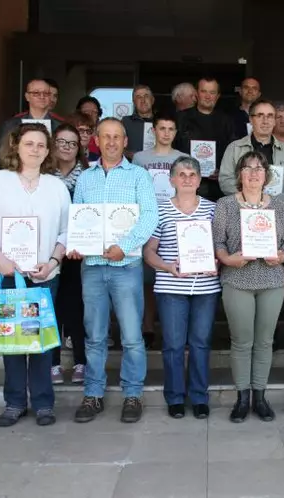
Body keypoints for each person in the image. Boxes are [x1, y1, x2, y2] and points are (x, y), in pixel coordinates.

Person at [0, 122, 71, 427]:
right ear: (16, 146)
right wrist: (1, 260)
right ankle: (14, 402)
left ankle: (43, 404)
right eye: (29, 144)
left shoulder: (56, 186)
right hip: (4, 273)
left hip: (43, 275)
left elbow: (67, 231)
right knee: (12, 339)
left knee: (40, 341)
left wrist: (53, 262)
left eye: (41, 145)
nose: (35, 150)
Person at [70, 117, 158, 424]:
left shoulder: (138, 176)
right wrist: (76, 242)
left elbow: (149, 217)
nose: (110, 142)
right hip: (92, 266)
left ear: (124, 142)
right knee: (94, 335)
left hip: (126, 265)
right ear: (96, 139)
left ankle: (132, 394)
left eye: (116, 137)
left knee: (132, 336)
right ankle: (93, 394)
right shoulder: (85, 178)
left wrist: (126, 244)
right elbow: (77, 217)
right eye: (105, 136)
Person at [212, 151, 284, 423]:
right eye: (248, 168)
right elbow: (218, 243)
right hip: (237, 280)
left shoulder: (279, 206)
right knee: (241, 342)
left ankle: (259, 396)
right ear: (239, 175)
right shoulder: (225, 205)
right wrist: (225, 258)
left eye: (259, 168)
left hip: (271, 280)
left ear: (266, 175)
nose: (254, 173)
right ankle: (242, 398)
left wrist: (281, 256)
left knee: (265, 342)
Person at [143, 156, 221, 420]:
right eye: (182, 174)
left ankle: (199, 397)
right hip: (171, 286)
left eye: (192, 174)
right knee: (174, 344)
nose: (187, 179)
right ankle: (175, 397)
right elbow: (149, 252)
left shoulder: (213, 209)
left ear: (200, 180)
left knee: (200, 343)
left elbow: (221, 247)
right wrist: (166, 266)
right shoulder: (159, 209)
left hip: (206, 287)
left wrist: (217, 263)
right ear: (172, 180)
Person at [132, 114, 186, 347]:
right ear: (153, 131)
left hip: (174, 221)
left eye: (170, 128)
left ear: (175, 132)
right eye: (162, 128)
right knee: (148, 278)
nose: (166, 132)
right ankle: (147, 326)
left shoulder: (183, 158)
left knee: (173, 273)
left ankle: (172, 328)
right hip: (147, 220)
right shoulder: (140, 158)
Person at [50, 123, 89, 385]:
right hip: (47, 251)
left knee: (75, 307)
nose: (66, 147)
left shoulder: (88, 176)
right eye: (62, 142)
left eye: (72, 143)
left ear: (80, 148)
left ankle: (80, 362)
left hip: (76, 252)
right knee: (50, 307)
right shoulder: (42, 176)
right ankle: (51, 364)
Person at [219, 98, 284, 203]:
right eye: (260, 115)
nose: (265, 121)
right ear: (250, 119)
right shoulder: (234, 148)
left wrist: (276, 202)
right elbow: (225, 181)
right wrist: (250, 199)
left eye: (270, 116)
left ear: (274, 121)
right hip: (242, 208)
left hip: (277, 209)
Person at [174, 77, 237, 200]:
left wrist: (223, 170)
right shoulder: (181, 118)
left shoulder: (227, 121)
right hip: (185, 184)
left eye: (212, 92)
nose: (208, 96)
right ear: (197, 94)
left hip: (217, 187)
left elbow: (234, 151)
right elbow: (171, 149)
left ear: (218, 96)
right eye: (204, 91)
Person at [0, 79, 63, 172]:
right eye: (36, 93)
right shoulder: (12, 125)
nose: (42, 96)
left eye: (46, 93)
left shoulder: (60, 126)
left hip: (51, 175)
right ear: (27, 96)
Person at [121, 84, 155, 160]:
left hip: (157, 168)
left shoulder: (161, 122)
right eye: (138, 97)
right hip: (132, 167)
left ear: (152, 100)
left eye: (146, 96)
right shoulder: (125, 122)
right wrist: (129, 154)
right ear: (134, 102)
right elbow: (116, 147)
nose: (143, 100)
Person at [74, 96, 103, 161]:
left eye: (94, 112)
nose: (90, 114)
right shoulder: (72, 133)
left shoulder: (104, 136)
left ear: (98, 115)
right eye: (86, 111)